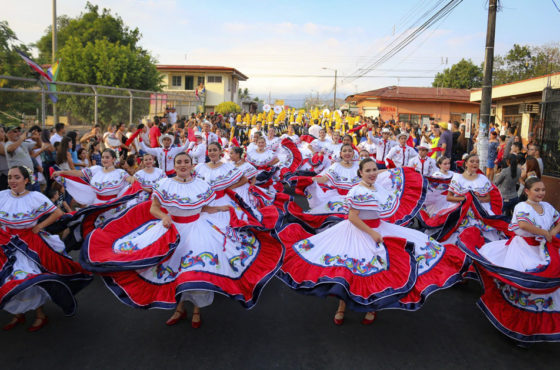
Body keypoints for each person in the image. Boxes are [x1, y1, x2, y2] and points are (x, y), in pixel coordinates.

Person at [82, 152, 283, 328]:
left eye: (186, 161)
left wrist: (219, 209)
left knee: (195, 272)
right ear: (175, 165)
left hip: (198, 230)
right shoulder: (164, 183)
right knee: (175, 271)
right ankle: (179, 308)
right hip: (172, 231)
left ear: (191, 164)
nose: (183, 165)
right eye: (179, 162)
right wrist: (164, 217)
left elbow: (202, 207)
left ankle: (195, 309)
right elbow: (154, 208)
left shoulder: (202, 184)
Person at [276, 158, 465, 325]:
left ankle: (369, 306)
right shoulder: (356, 191)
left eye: (374, 169)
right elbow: (352, 217)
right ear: (360, 173)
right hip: (357, 232)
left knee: (374, 270)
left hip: (379, 228)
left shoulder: (378, 187)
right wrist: (372, 233)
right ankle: (342, 307)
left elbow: (384, 182)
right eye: (368, 170)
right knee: (349, 272)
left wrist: (399, 170)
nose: (373, 173)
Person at [459, 178, 560, 344]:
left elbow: (558, 220)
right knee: (527, 284)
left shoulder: (548, 207)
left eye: (543, 190)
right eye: (537, 190)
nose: (541, 193)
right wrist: (544, 232)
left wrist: (552, 232)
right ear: (527, 191)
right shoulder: (522, 206)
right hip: (523, 248)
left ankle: (537, 328)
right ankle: (519, 328)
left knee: (549, 287)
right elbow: (523, 224)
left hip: (544, 249)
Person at [0, 166, 92, 332]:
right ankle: (18, 313)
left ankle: (40, 314)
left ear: (26, 180)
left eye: (17, 177)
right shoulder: (2, 195)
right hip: (6, 242)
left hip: (29, 243)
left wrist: (39, 226)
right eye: (10, 177)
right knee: (8, 279)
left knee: (31, 278)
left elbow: (57, 213)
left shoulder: (35, 197)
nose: (12, 181)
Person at [494, 154, 520, 219]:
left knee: (499, 216)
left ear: (508, 161)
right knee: (512, 217)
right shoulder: (519, 170)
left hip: (504, 197)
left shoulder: (505, 171)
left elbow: (496, 183)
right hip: (514, 196)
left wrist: (496, 174)